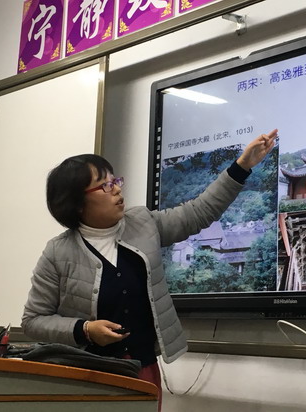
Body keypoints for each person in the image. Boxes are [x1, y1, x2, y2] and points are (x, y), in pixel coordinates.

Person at [21, 129, 278, 410]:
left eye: (115, 181)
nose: (117, 189)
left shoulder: (143, 223)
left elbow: (198, 212)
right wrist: (85, 329)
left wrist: (241, 166)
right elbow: (33, 321)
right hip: (86, 375)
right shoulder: (58, 252)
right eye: (105, 186)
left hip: (142, 368)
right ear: (77, 203)